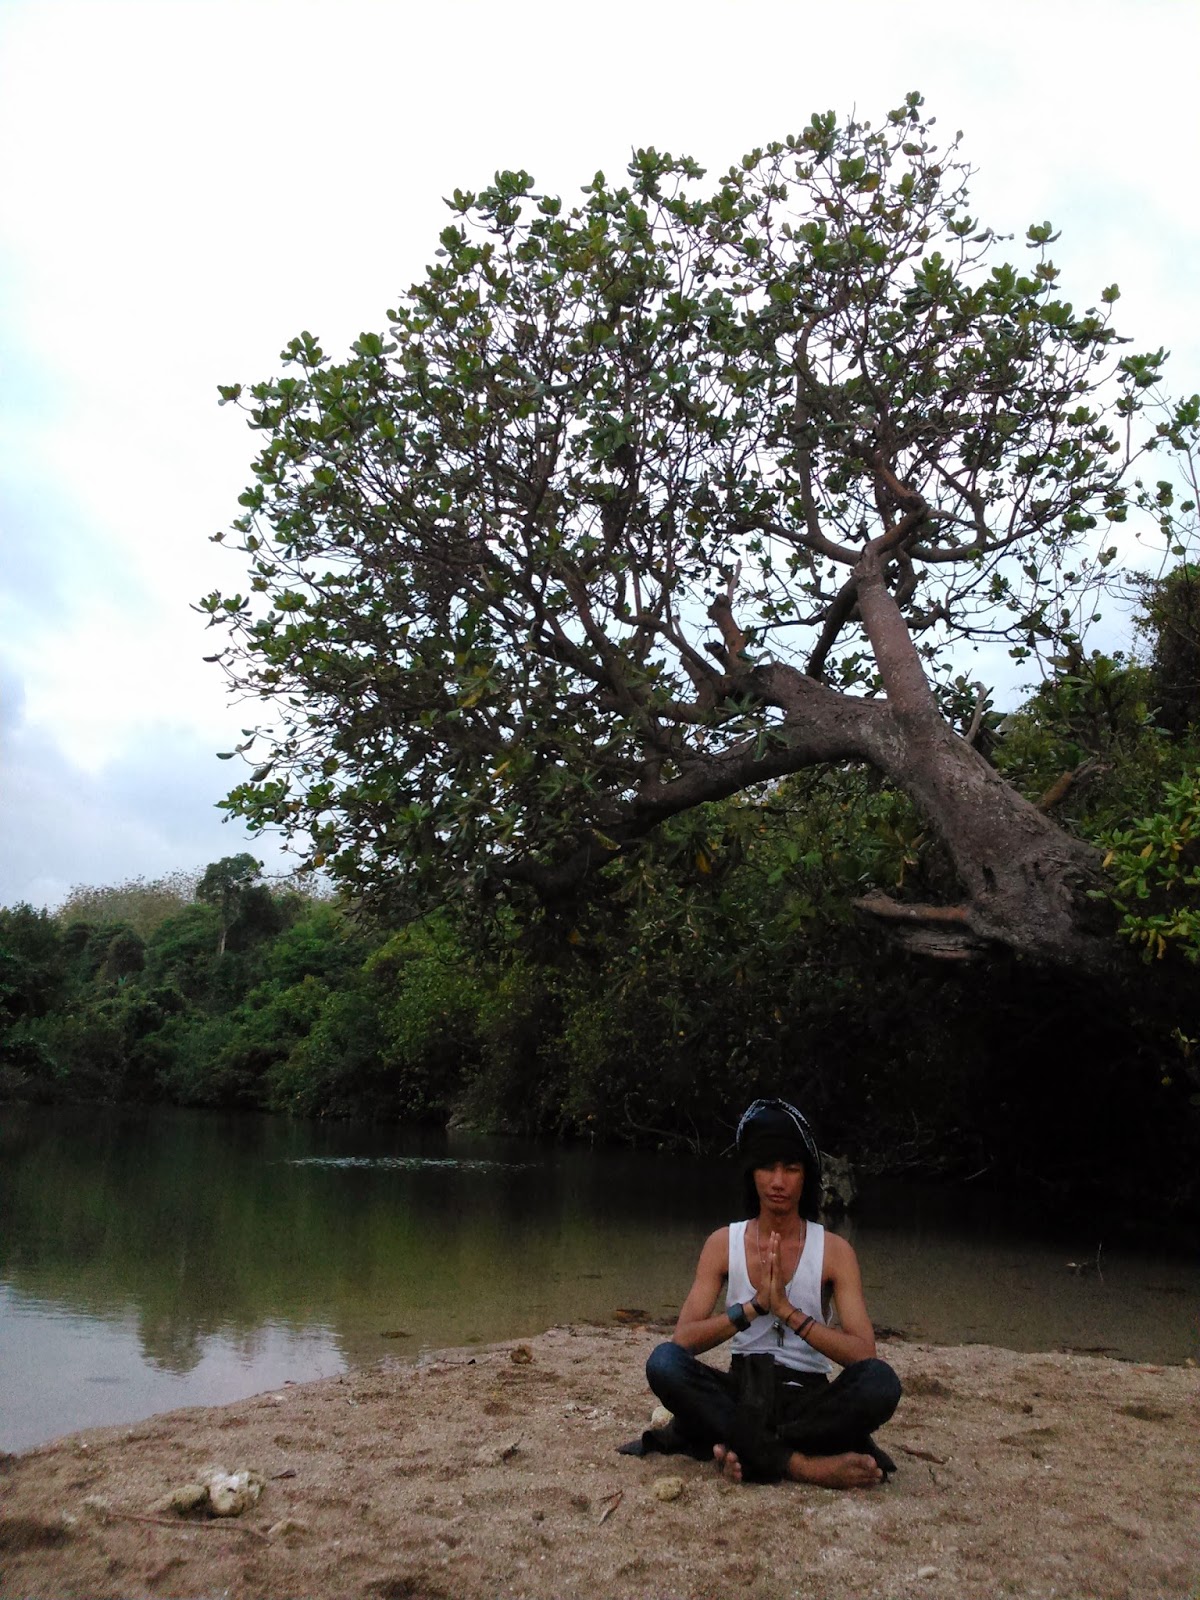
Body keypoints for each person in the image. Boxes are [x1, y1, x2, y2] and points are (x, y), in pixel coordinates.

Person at [623, 1098, 901, 1488]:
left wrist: (788, 1313)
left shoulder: (835, 1251)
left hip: (808, 1399)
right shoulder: (723, 1243)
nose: (778, 1181)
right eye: (767, 1167)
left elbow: (863, 1354)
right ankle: (801, 1465)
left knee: (881, 1383)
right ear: (752, 1174)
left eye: (791, 1169)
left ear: (806, 1176)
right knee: (664, 1363)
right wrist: (753, 1307)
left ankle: (748, 1447)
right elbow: (683, 1340)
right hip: (743, 1391)